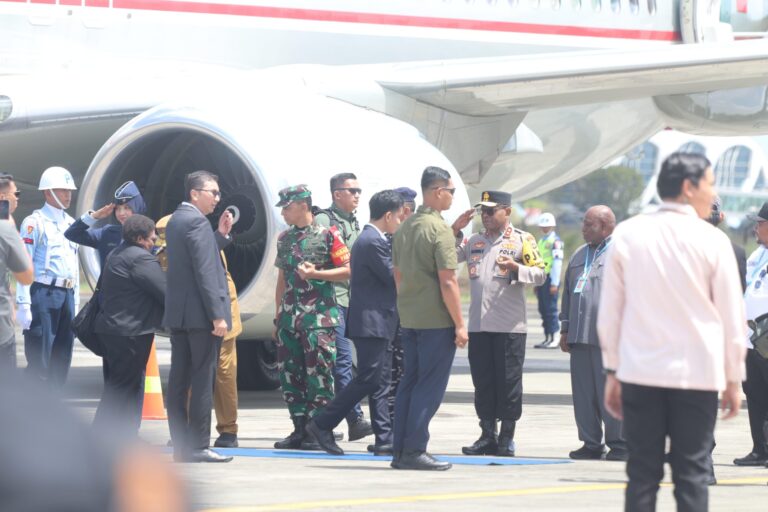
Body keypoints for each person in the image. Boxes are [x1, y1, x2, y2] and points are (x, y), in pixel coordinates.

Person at [598, 153, 746, 512]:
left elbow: (610, 314)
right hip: (696, 377)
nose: (712, 192)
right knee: (692, 474)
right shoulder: (712, 241)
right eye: (709, 183)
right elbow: (731, 315)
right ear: (688, 186)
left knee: (642, 474)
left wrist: (613, 370)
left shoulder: (629, 234)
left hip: (640, 373)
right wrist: (733, 377)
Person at [308, 190, 404, 456]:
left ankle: (385, 437)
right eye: (398, 217)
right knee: (367, 380)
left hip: (379, 322)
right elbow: (394, 277)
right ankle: (321, 423)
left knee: (378, 381)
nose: (399, 222)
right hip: (372, 323)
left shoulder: (375, 239)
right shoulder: (372, 241)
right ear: (388, 215)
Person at [452, 190, 546, 457]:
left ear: (507, 211)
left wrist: (516, 268)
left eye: (491, 211)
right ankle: (486, 435)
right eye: (483, 211)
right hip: (479, 326)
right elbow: (448, 255)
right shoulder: (475, 241)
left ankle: (506, 437)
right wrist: (455, 231)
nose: (486, 216)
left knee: (508, 383)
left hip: (509, 327)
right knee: (483, 383)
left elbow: (540, 274)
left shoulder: (522, 240)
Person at [391, 166, 468, 471]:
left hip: (409, 317)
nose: (451, 197)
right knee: (429, 387)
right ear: (438, 192)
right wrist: (460, 324)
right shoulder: (438, 230)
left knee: (409, 382)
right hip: (436, 321)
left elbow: (398, 275)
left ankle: (400, 450)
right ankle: (415, 449)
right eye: (450, 191)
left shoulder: (405, 227)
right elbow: (448, 281)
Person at [273, 185, 351, 450]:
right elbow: (282, 279)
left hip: (318, 318)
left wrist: (317, 274)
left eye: (287, 207)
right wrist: (278, 316)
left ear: (303, 205)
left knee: (319, 376)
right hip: (289, 320)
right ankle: (298, 430)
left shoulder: (328, 235)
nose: (283, 212)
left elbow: (348, 270)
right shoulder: (284, 239)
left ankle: (318, 430)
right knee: (290, 376)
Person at [155, 214, 243, 449]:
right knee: (191, 375)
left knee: (223, 374)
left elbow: (212, 282)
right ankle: (186, 431)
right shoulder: (164, 253)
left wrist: (219, 318)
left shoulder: (202, 243)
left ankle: (228, 429)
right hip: (194, 317)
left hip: (220, 312)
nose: (164, 242)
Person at [164, 170, 234, 464]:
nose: (217, 198)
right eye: (213, 192)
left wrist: (220, 235)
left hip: (181, 316)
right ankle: (199, 446)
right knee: (203, 380)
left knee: (179, 381)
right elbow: (205, 272)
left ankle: (182, 446)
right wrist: (217, 315)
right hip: (201, 316)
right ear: (195, 193)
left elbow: (195, 258)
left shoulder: (177, 220)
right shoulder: (196, 222)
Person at [559, 205, 627, 461]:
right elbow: (567, 293)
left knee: (610, 392)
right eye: (584, 223)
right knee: (584, 395)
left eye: (590, 225)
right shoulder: (578, 255)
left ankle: (620, 443)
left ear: (607, 226)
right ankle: (590, 442)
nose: (583, 229)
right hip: (580, 338)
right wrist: (565, 328)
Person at [92, 215, 166, 437]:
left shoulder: (117, 253)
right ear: (140, 238)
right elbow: (164, 291)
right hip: (130, 333)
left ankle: (125, 437)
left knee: (125, 386)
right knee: (122, 388)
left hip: (113, 330)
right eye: (151, 239)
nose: (154, 243)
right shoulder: (140, 259)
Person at [314, 172, 373, 441]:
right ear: (337, 194)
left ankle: (341, 419)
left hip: (353, 300)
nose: (357, 195)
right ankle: (354, 419)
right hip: (332, 300)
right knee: (342, 362)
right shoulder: (324, 221)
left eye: (359, 190)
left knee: (350, 363)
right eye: (352, 191)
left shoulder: (353, 222)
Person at [16, 166, 80, 385]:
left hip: (67, 294)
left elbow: (73, 264)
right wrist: (23, 302)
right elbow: (25, 264)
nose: (67, 194)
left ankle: (53, 406)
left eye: (69, 190)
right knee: (40, 358)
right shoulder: (35, 223)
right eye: (62, 190)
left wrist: (76, 303)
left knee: (62, 358)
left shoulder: (71, 224)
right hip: (43, 293)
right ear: (47, 192)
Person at [734, 201, 768, 468]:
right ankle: (760, 449)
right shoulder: (757, 254)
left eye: (760, 223)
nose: (755, 227)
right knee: (755, 396)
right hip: (749, 338)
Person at [64, 181, 147, 267]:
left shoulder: (149, 236)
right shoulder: (106, 233)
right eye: (117, 209)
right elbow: (71, 234)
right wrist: (94, 216)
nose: (121, 213)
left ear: (137, 207)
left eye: (127, 207)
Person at [0, 173, 33, 370]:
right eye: (15, 193)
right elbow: (26, 275)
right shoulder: (5, 229)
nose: (18, 198)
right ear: (3, 198)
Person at [534, 212, 563, 348]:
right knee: (543, 309)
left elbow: (557, 263)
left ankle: (555, 337)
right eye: (543, 226)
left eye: (547, 226)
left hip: (550, 279)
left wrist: (554, 283)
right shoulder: (541, 241)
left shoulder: (555, 241)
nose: (545, 228)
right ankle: (547, 337)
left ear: (552, 226)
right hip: (541, 279)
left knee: (551, 309)